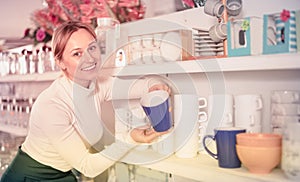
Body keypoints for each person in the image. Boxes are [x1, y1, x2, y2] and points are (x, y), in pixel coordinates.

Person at [0, 21, 171, 182]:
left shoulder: (97, 84)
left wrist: (155, 86)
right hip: (31, 177)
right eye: (77, 53)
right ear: (60, 63)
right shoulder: (52, 105)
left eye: (92, 48)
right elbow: (87, 167)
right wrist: (131, 139)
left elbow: (137, 87)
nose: (89, 58)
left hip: (63, 173)